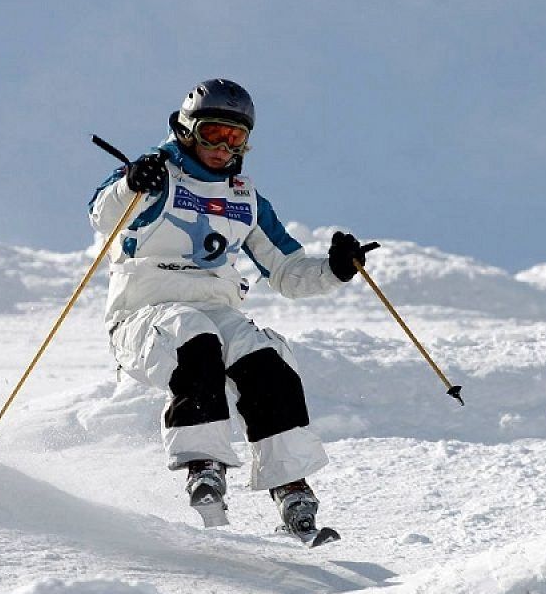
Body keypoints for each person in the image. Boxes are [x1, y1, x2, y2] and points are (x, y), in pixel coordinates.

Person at [88, 78, 377, 536]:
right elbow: (102, 214)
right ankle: (204, 465)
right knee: (193, 338)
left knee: (265, 360)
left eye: (235, 137)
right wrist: (129, 185)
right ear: (187, 130)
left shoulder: (245, 198)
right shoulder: (154, 173)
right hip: (145, 313)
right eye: (213, 133)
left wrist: (338, 269)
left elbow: (287, 271)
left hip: (219, 309)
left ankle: (291, 488)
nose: (223, 147)